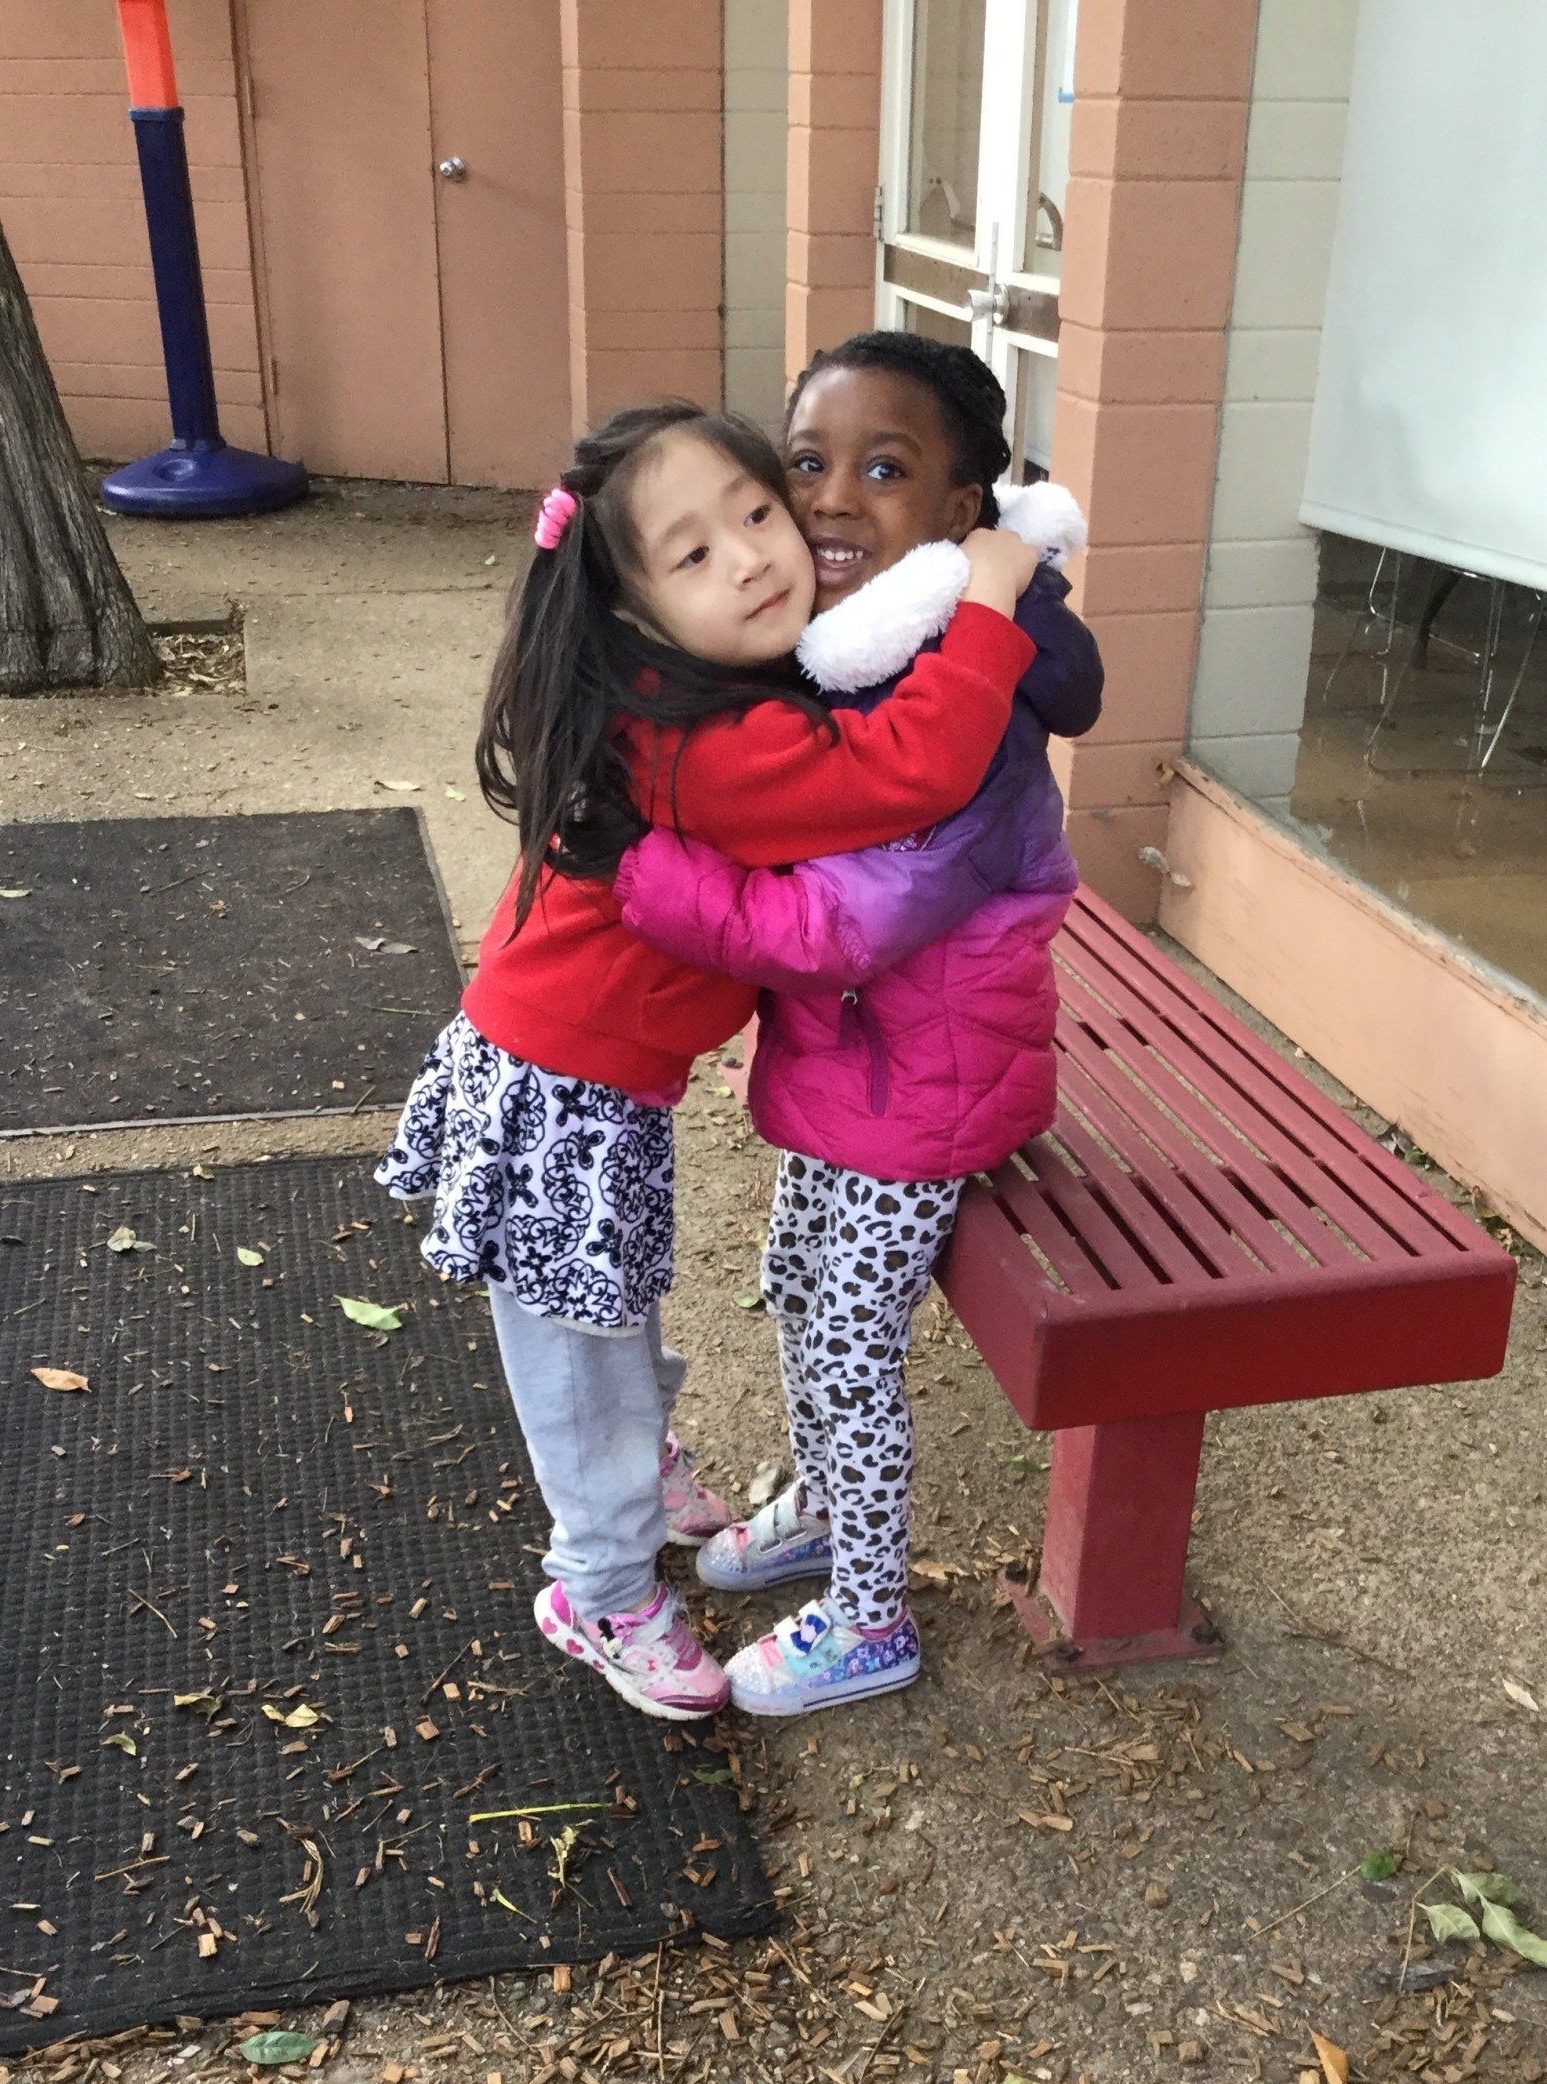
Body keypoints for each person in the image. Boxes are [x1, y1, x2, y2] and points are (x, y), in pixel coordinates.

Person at [377, 397, 1042, 1722]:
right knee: (581, 1350)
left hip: (580, 1076)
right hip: (561, 1092)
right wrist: (988, 601)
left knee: (608, 1309)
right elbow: (907, 772)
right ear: (631, 609)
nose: (750, 556)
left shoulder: (694, 697)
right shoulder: (710, 747)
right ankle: (603, 1586)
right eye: (692, 554)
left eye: (754, 512)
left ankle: (641, 1472)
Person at [616, 334, 1103, 1717]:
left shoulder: (966, 703)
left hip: (925, 1091)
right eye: (810, 462)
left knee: (846, 1338)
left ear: (964, 514)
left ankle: (871, 1613)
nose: (832, 499)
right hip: (861, 1075)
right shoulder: (850, 665)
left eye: (884, 471)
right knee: (795, 1276)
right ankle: (831, 1504)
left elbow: (846, 928)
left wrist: (648, 874)